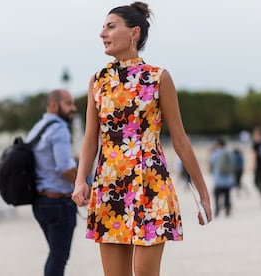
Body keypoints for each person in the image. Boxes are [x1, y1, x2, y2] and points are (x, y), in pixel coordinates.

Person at [72, 2, 212, 275]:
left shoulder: (158, 78)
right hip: (109, 184)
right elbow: (91, 140)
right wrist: (80, 180)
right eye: (103, 27)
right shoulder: (97, 81)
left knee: (145, 273)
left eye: (111, 26)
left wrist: (203, 193)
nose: (102, 33)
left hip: (150, 185)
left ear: (134, 33)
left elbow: (180, 140)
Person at [26, 89, 78, 276]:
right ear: (54, 105)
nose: (74, 108)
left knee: (55, 255)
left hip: (41, 203)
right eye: (69, 103)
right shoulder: (59, 129)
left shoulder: (37, 129)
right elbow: (65, 168)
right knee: (58, 258)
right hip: (58, 203)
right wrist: (84, 186)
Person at [209, 138, 235, 217]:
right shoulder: (229, 153)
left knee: (217, 195)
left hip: (218, 179)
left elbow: (211, 162)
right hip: (228, 179)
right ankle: (227, 209)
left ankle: (217, 209)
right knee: (227, 195)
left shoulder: (216, 153)